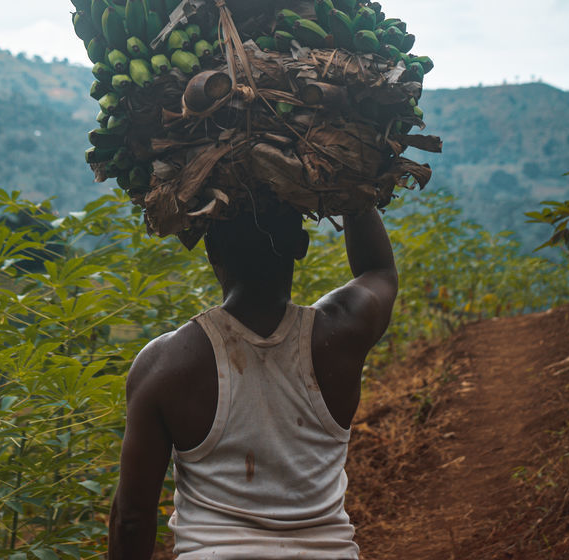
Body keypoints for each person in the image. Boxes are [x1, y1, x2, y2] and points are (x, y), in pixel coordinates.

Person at [107, 201, 398, 559]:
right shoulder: (341, 332)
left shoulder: (164, 364)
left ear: (210, 249)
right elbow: (379, 271)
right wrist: (355, 190)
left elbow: (132, 519)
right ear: (300, 246)